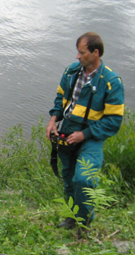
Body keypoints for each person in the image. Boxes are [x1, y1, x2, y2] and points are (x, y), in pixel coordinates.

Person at [46, 32, 124, 230]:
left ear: (95, 53)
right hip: (68, 129)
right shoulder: (71, 72)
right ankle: (72, 218)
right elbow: (61, 98)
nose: (77, 56)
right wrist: (54, 120)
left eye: (81, 52)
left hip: (91, 136)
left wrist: (85, 134)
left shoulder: (111, 82)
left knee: (84, 178)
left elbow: (114, 121)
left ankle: (85, 221)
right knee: (69, 178)